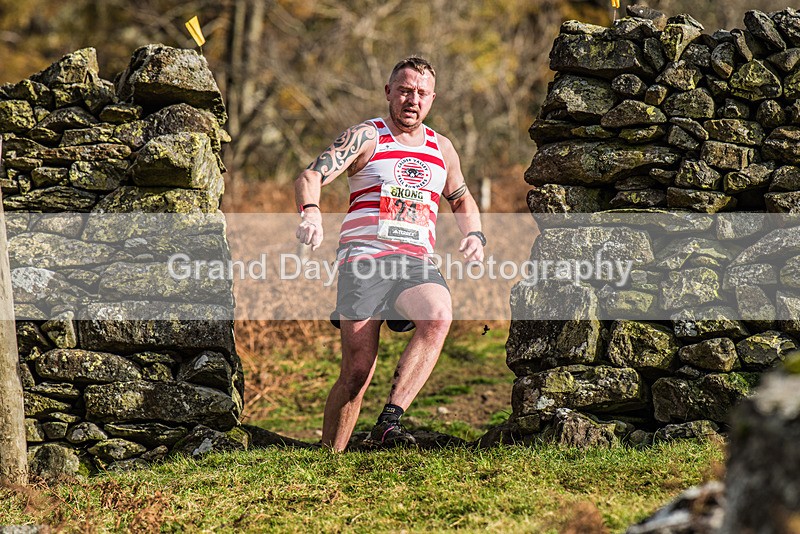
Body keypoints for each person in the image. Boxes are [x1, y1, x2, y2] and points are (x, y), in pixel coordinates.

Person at [294, 57, 485, 452]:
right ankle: (329, 457)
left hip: (414, 263)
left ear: (432, 98)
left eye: (420, 93)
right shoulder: (368, 136)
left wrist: (476, 235)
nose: (412, 100)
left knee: (438, 314)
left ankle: (388, 423)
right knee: (357, 372)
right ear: (388, 93)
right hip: (363, 260)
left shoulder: (442, 148)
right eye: (404, 90)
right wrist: (311, 213)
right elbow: (312, 175)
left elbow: (461, 198)